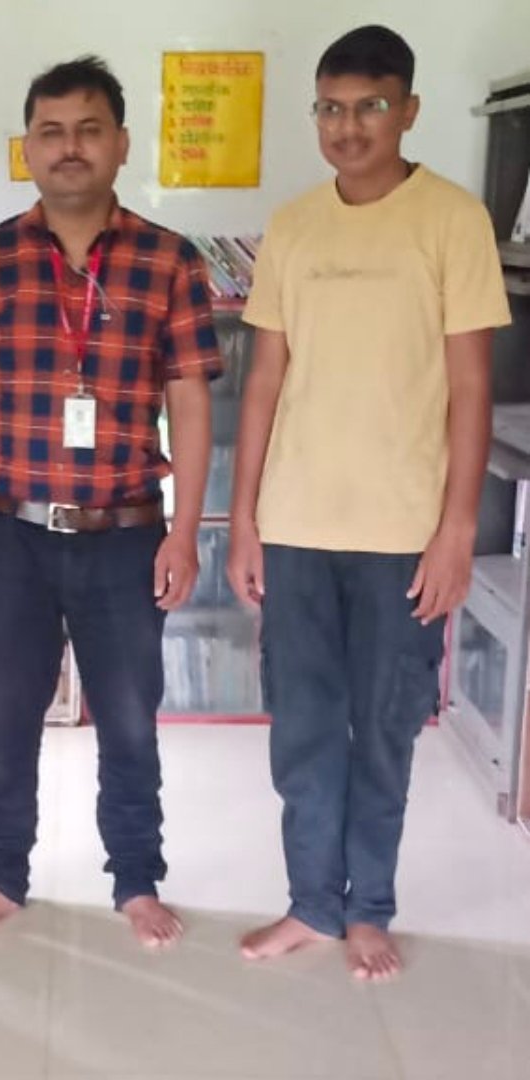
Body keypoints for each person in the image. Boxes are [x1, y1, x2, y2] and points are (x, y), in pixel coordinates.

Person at [227, 25, 511, 980]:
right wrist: (246, 521)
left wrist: (458, 529)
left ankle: (368, 908)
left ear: (409, 111)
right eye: (331, 109)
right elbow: (264, 381)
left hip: (403, 535)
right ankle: (313, 902)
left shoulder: (453, 221)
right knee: (304, 729)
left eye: (371, 107)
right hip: (297, 527)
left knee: (383, 728)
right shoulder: (294, 226)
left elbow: (470, 387)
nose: (348, 128)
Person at [0, 56, 220, 947]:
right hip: (8, 531)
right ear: (27, 148)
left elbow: (190, 402)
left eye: (88, 129)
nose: (69, 147)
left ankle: (136, 880)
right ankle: (0, 876)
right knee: (5, 718)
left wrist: (184, 531)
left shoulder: (170, 259)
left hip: (124, 533)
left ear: (121, 144)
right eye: (51, 131)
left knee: (129, 722)